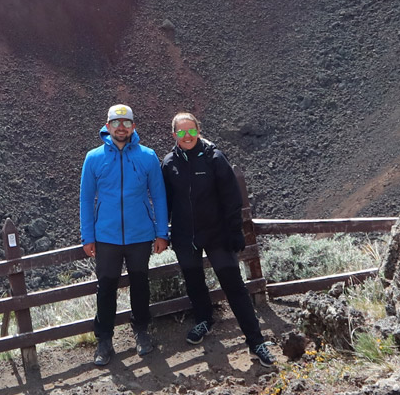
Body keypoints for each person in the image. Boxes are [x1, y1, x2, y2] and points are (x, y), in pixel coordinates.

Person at [161, 113, 274, 366]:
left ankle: (255, 342)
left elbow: (232, 199)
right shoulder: (169, 163)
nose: (186, 136)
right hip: (185, 236)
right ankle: (204, 320)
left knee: (234, 286)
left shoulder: (214, 158)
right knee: (194, 281)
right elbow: (164, 202)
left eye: (191, 131)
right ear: (174, 136)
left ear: (199, 130)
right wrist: (162, 232)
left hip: (217, 234)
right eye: (181, 132)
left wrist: (235, 232)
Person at [79, 103, 169, 367]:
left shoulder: (147, 156)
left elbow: (159, 196)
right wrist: (88, 236)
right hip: (105, 235)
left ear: (133, 127)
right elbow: (85, 199)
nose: (121, 128)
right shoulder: (93, 158)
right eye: (116, 123)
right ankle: (104, 340)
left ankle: (142, 331)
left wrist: (161, 232)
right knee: (106, 287)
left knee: (140, 284)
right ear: (107, 127)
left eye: (126, 123)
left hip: (140, 234)